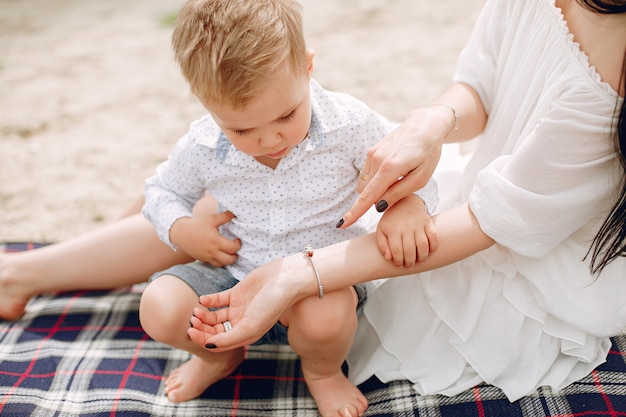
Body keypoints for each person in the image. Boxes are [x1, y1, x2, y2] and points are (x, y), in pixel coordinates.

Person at [187, 0, 626, 404]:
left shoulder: (615, 64)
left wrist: (296, 273)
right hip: (480, 187)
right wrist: (432, 121)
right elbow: (480, 86)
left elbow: (498, 220)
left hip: (526, 241)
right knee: (207, 206)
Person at [137, 0, 438, 415]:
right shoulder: (203, 147)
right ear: (204, 101)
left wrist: (408, 206)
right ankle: (218, 356)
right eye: (241, 128)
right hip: (234, 275)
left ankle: (322, 372)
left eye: (286, 115)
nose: (268, 140)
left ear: (308, 67)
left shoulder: (349, 124)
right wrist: (183, 229)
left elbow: (410, 167)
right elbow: (160, 191)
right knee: (159, 306)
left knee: (325, 319)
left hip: (321, 280)